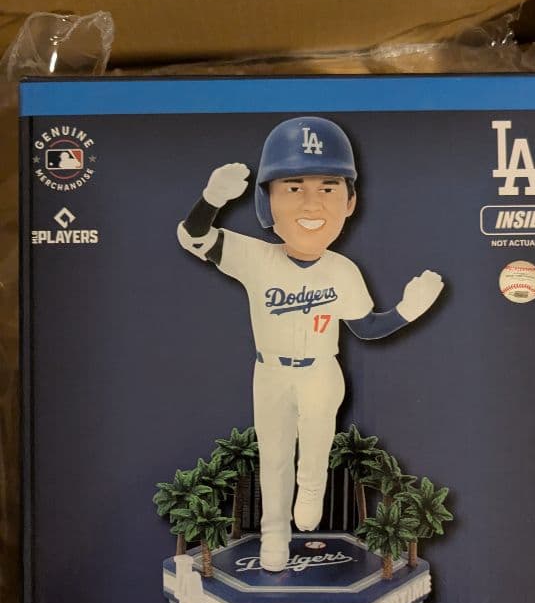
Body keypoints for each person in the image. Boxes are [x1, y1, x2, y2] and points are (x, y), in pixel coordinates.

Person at [178, 117, 443, 572]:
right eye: (294, 187)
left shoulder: (343, 270)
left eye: (328, 187)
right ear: (267, 201)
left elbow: (366, 328)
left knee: (317, 443)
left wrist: (406, 311)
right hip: (270, 371)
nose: (311, 202)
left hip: (321, 369)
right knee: (274, 457)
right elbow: (194, 236)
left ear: (350, 201)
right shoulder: (256, 257)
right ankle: (274, 536)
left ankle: (313, 491)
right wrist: (211, 200)